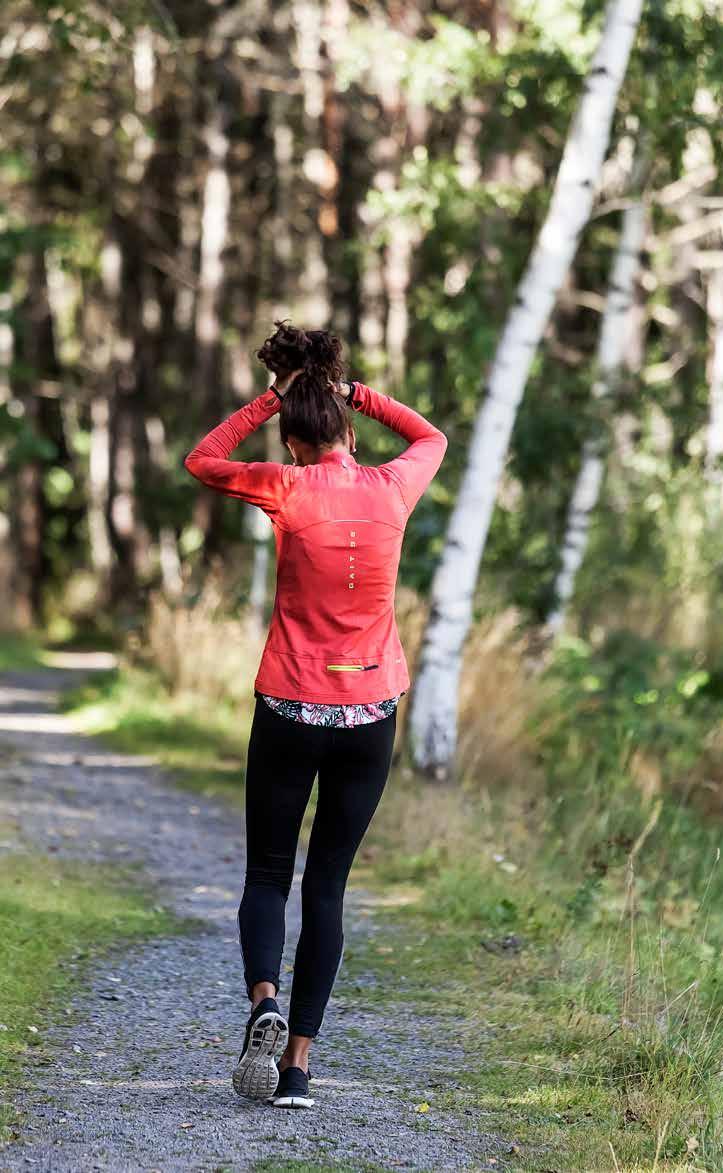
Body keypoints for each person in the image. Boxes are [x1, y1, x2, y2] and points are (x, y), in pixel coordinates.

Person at [183, 321, 448, 1109]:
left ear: (294, 442)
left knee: (268, 872)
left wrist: (271, 399)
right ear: (345, 426)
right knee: (327, 885)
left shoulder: (288, 486)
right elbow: (429, 434)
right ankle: (298, 1065)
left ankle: (263, 997)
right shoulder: (394, 487)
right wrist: (353, 390)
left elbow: (201, 460)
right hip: (370, 714)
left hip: (292, 706)